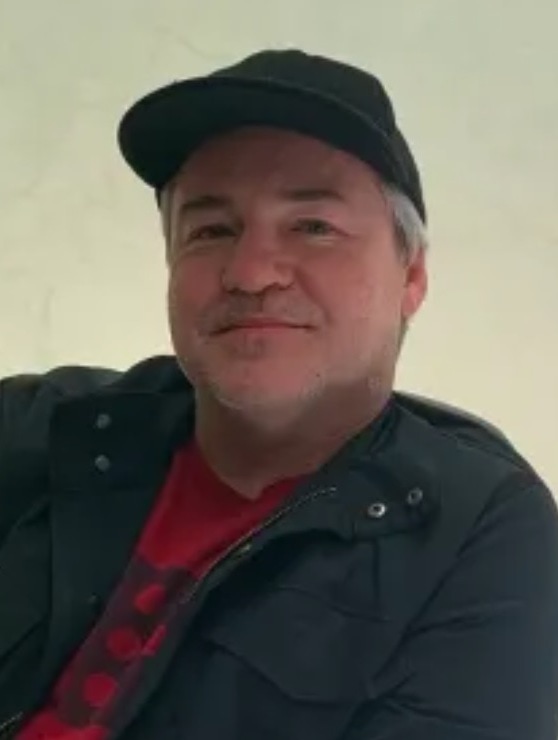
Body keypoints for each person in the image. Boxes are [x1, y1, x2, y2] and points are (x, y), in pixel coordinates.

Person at [0, 49, 556, 740]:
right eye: (211, 230)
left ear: (411, 275)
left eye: (313, 227)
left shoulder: (474, 530)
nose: (252, 272)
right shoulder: (46, 423)